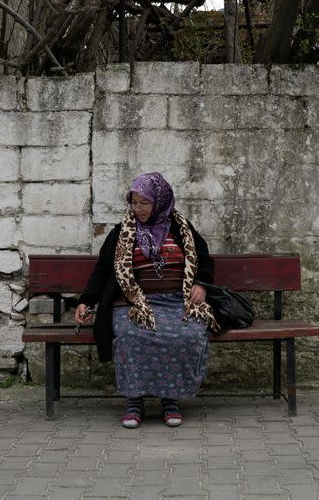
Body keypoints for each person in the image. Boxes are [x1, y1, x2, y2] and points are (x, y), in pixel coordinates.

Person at [75, 172, 218, 428]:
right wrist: (87, 301)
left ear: (160, 201)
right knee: (130, 335)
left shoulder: (182, 228)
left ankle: (170, 400)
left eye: (145, 202)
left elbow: (204, 260)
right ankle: (135, 401)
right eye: (134, 202)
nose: (138, 208)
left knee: (187, 334)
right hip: (134, 303)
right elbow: (103, 270)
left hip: (177, 301)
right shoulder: (122, 233)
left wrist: (201, 285)